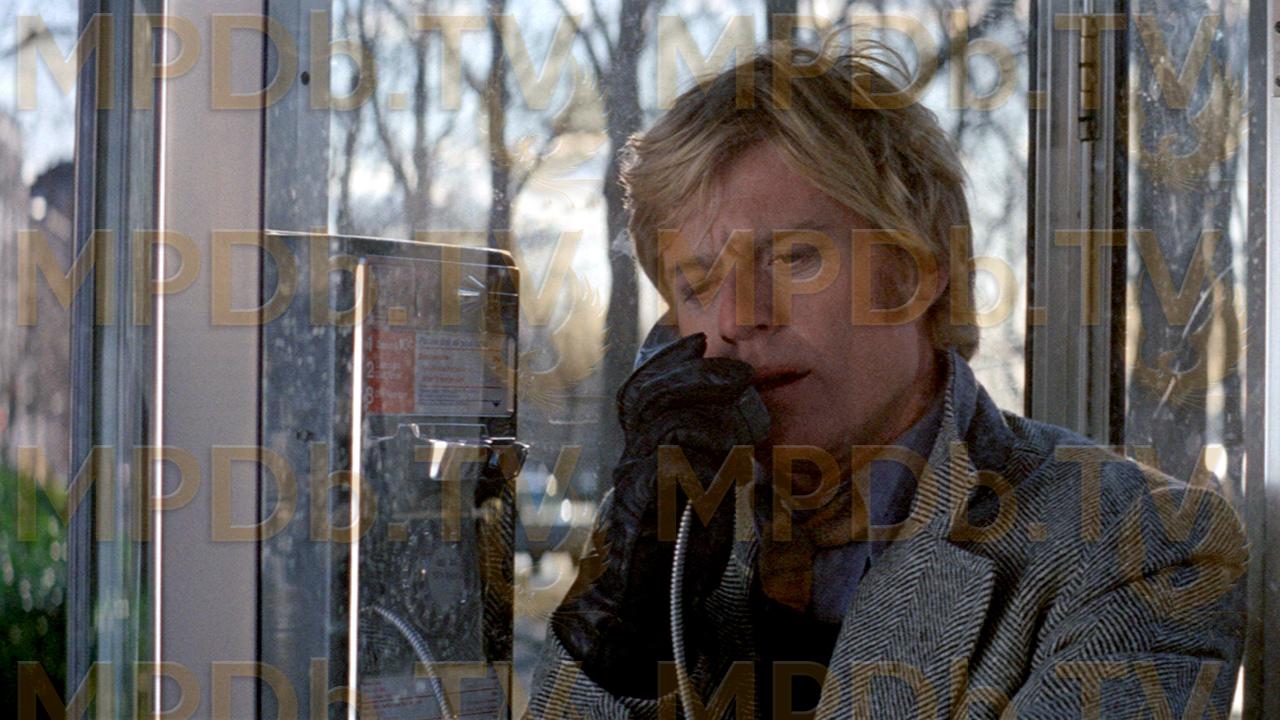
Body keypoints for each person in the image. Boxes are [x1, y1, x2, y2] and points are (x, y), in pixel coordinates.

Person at [527, 43, 1246, 719]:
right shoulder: (670, 526)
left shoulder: (1140, 543)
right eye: (697, 284)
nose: (740, 317)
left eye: (795, 259)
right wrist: (624, 643)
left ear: (916, 273)